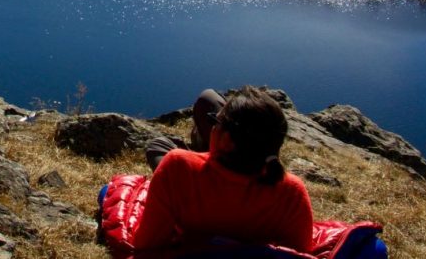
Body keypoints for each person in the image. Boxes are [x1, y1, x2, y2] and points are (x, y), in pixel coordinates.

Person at [101, 86, 314, 255]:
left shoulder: (179, 167)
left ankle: (198, 145)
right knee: (208, 100)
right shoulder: (291, 192)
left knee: (157, 146)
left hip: (193, 176)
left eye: (216, 122)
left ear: (227, 140)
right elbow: (299, 253)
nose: (213, 126)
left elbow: (145, 244)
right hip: (236, 160)